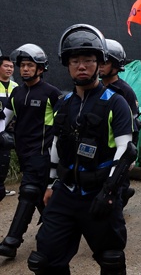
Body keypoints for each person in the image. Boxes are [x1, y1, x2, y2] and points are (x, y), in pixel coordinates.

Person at [27, 24, 134, 274]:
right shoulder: (63, 103)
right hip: (66, 193)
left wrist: (109, 191)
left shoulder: (115, 103)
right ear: (67, 64)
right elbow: (56, 144)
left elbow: (125, 149)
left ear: (100, 64)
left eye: (88, 60)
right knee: (43, 260)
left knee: (111, 259)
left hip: (100, 193)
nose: (81, 66)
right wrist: (52, 184)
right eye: (75, 60)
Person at [0, 44, 62, 259]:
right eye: (22, 65)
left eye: (30, 65)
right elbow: (3, 119)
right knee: (39, 197)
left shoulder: (52, 93)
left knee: (28, 191)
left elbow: (61, 128)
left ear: (41, 68)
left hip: (44, 153)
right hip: (24, 154)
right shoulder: (17, 92)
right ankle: (57, 230)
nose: (24, 69)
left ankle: (12, 240)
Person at [99, 39, 140, 207]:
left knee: (118, 179)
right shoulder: (97, 88)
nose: (100, 66)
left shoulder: (124, 91)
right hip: (102, 145)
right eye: (98, 61)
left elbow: (134, 124)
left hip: (120, 145)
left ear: (116, 65)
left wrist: (131, 157)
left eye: (105, 62)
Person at [0, 48, 17, 200]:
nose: (9, 69)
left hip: (11, 130)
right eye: (6, 66)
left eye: (11, 67)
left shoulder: (15, 86)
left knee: (5, 160)